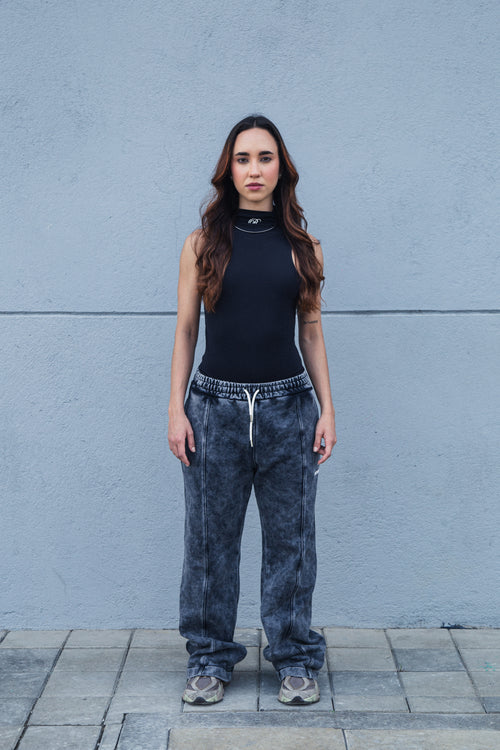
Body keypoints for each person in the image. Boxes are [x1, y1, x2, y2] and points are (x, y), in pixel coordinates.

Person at [168, 114, 336, 706]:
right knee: (209, 542)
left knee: (291, 540)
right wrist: (176, 410)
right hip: (212, 410)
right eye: (243, 158)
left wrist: (327, 410)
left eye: (265, 158)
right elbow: (186, 331)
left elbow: (310, 332)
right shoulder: (201, 244)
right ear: (229, 169)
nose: (254, 170)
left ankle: (294, 658)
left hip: (289, 409)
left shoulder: (304, 248)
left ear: (281, 169)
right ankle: (210, 658)